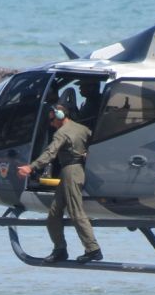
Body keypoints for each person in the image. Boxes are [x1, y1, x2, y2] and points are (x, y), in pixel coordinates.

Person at [17, 105, 103, 263]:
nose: (51, 123)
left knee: (75, 211)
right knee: (54, 214)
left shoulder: (61, 133)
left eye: (52, 120)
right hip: (73, 171)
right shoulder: (83, 129)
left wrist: (31, 167)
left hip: (71, 172)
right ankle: (60, 250)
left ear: (60, 116)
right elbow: (95, 143)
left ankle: (93, 249)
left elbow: (50, 153)